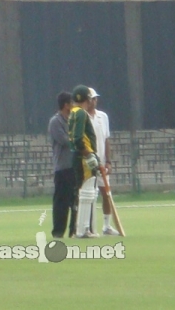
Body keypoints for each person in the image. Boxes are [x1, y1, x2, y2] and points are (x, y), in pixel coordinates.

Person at [68, 84, 100, 238]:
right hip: (83, 157)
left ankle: (82, 229)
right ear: (87, 99)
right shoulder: (81, 113)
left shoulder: (73, 112)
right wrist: (89, 155)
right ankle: (82, 230)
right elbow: (79, 139)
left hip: (78, 156)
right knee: (86, 193)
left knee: (86, 192)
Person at [87, 87, 120, 236]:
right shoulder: (81, 117)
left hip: (102, 162)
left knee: (106, 193)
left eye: (95, 98)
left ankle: (106, 226)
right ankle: (87, 226)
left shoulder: (103, 116)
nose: (94, 101)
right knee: (89, 195)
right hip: (88, 162)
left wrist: (108, 161)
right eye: (91, 99)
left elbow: (106, 140)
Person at [48, 91, 76, 238]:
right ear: (66, 105)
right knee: (61, 202)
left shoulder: (72, 120)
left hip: (74, 167)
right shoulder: (56, 122)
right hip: (63, 168)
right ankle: (58, 232)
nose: (73, 105)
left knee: (75, 201)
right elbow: (65, 141)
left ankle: (74, 230)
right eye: (71, 103)